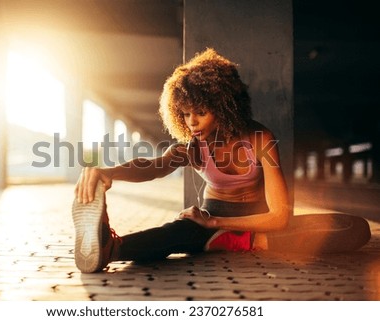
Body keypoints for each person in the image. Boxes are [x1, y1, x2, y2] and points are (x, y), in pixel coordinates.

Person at [72, 48, 371, 273]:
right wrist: (108, 171)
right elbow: (153, 166)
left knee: (355, 228)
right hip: (211, 222)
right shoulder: (194, 146)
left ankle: (229, 238)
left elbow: (279, 216)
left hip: (259, 225)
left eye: (200, 112)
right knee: (177, 233)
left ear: (224, 104)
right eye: (186, 113)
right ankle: (110, 248)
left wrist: (216, 222)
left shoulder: (259, 139)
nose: (191, 122)